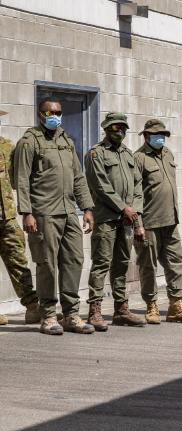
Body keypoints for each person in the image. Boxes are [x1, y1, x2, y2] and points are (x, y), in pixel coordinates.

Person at [14, 97, 95, 335]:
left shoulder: (66, 140)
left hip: (69, 211)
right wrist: (27, 213)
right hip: (43, 213)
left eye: (58, 112)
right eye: (50, 112)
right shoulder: (29, 142)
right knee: (47, 265)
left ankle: (71, 315)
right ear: (40, 114)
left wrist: (87, 208)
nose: (55, 116)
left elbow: (78, 177)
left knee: (74, 261)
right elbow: (21, 180)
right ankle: (48, 315)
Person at [134, 119, 182, 324]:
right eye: (156, 134)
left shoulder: (168, 154)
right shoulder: (138, 158)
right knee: (148, 266)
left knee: (176, 263)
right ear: (146, 136)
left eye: (162, 134)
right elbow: (134, 193)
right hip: (149, 222)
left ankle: (176, 306)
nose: (160, 138)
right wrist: (138, 224)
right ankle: (151, 305)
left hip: (170, 221)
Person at [84, 113, 145, 331]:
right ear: (106, 129)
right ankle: (95, 311)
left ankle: (121, 309)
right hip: (106, 218)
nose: (119, 131)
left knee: (121, 264)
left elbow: (138, 186)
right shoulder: (95, 153)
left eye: (122, 128)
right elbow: (100, 186)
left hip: (128, 220)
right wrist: (123, 207)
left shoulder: (129, 154)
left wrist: (136, 215)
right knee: (101, 263)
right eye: (114, 127)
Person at [0, 109, 39, 326]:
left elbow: (19, 179)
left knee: (18, 261)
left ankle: (33, 308)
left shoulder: (7, 146)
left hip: (7, 217)